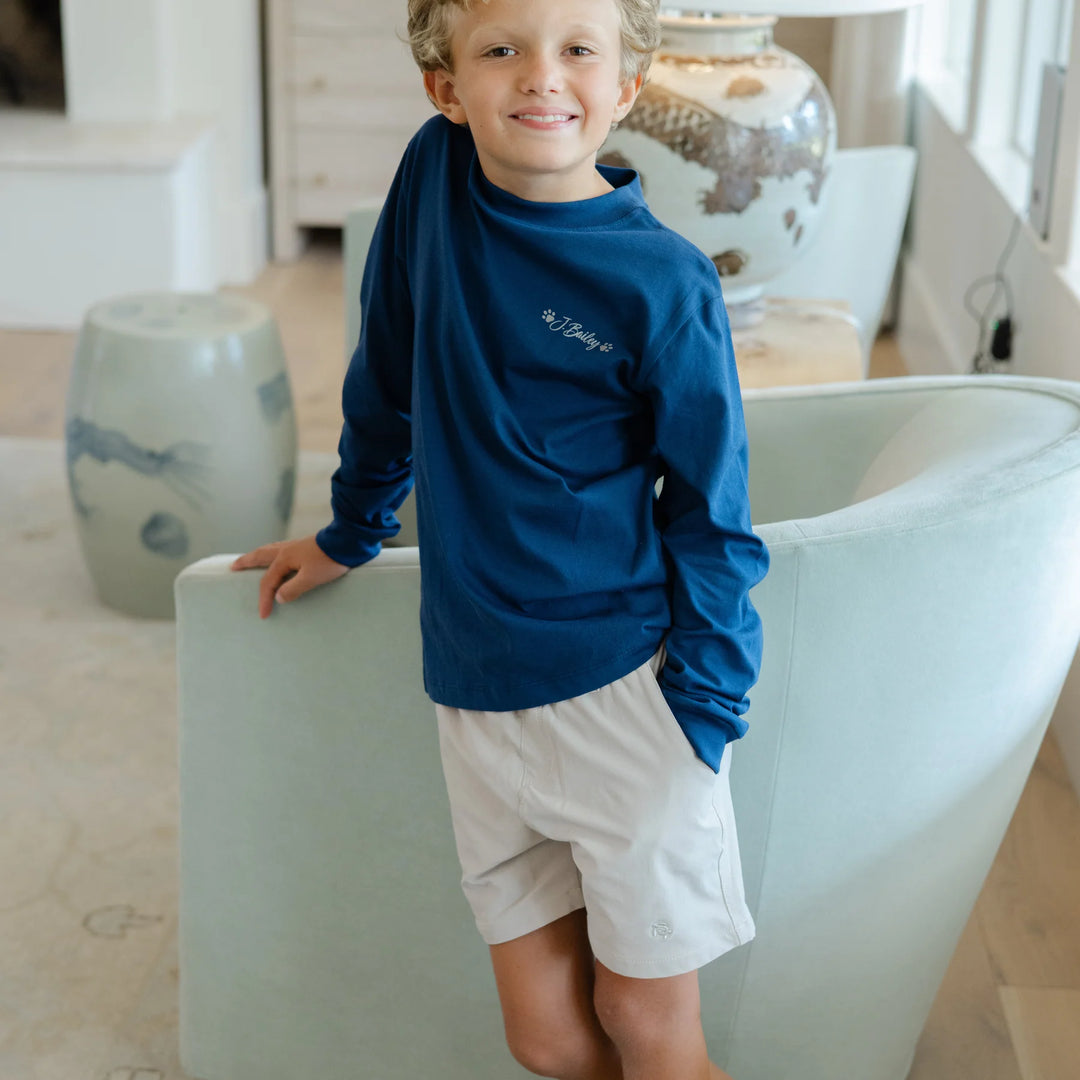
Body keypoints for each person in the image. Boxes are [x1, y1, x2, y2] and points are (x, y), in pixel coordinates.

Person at [232, 0, 770, 1076]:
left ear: (624, 88)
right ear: (447, 89)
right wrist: (349, 530)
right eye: (501, 51)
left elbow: (712, 505)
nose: (542, 77)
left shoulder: (663, 281)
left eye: (579, 50)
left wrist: (702, 716)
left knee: (649, 1027)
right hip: (474, 693)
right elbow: (385, 369)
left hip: (628, 696)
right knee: (548, 1041)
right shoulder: (431, 180)